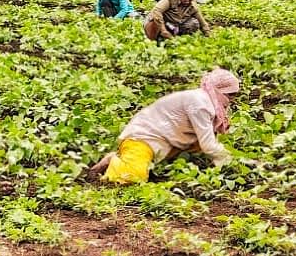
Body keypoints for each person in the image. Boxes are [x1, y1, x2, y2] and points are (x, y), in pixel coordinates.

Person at [89, 69, 240, 184]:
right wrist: (233, 163)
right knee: (128, 180)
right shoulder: (201, 104)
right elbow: (208, 145)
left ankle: (133, 161)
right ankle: (117, 162)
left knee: (203, 141)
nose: (232, 100)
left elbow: (207, 139)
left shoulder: (205, 99)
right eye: (230, 95)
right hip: (143, 138)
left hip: (165, 140)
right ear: (218, 90)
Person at [144, 0, 210, 42]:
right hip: (160, 22)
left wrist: (208, 34)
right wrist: (163, 30)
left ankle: (176, 36)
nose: (187, 1)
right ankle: (158, 36)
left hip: (173, 24)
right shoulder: (169, 0)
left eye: (190, 0)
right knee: (156, 23)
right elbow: (156, 11)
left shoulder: (193, 6)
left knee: (193, 23)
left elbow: (203, 23)